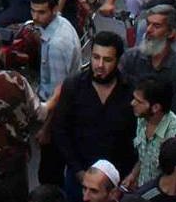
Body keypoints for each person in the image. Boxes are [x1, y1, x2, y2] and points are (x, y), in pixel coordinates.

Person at [51, 33, 137, 200]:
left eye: (107, 60)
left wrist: (131, 175)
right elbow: (60, 131)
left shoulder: (132, 91)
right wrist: (79, 172)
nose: (99, 65)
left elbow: (138, 136)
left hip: (118, 182)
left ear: (118, 61)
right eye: (96, 57)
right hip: (79, 178)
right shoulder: (73, 86)